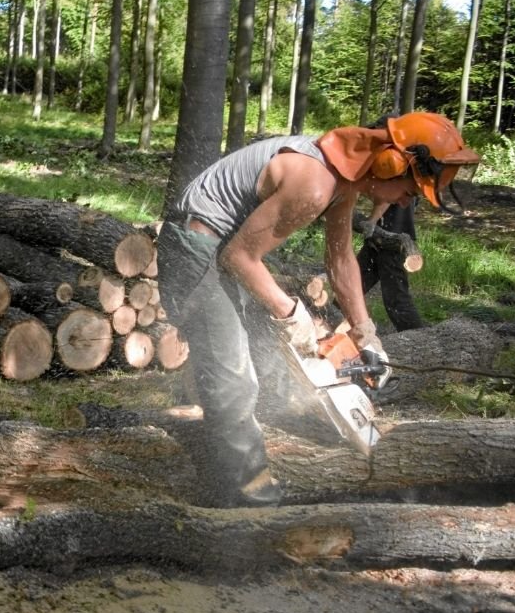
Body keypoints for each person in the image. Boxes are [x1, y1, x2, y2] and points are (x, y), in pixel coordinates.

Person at [156, 111, 480, 507]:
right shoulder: (314, 182)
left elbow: (340, 258)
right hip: (198, 247)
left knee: (268, 358)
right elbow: (239, 257)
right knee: (233, 377)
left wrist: (365, 333)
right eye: (409, 192)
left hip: (223, 245)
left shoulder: (344, 174)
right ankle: (246, 501)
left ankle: (273, 444)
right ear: (389, 164)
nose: (404, 202)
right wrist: (290, 314)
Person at [357, 198, 426, 332]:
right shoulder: (409, 187)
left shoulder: (395, 185)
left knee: (396, 298)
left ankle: (415, 334)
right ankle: (332, 317)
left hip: (392, 240)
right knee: (354, 282)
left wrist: (372, 221)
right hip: (380, 236)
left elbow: (387, 197)